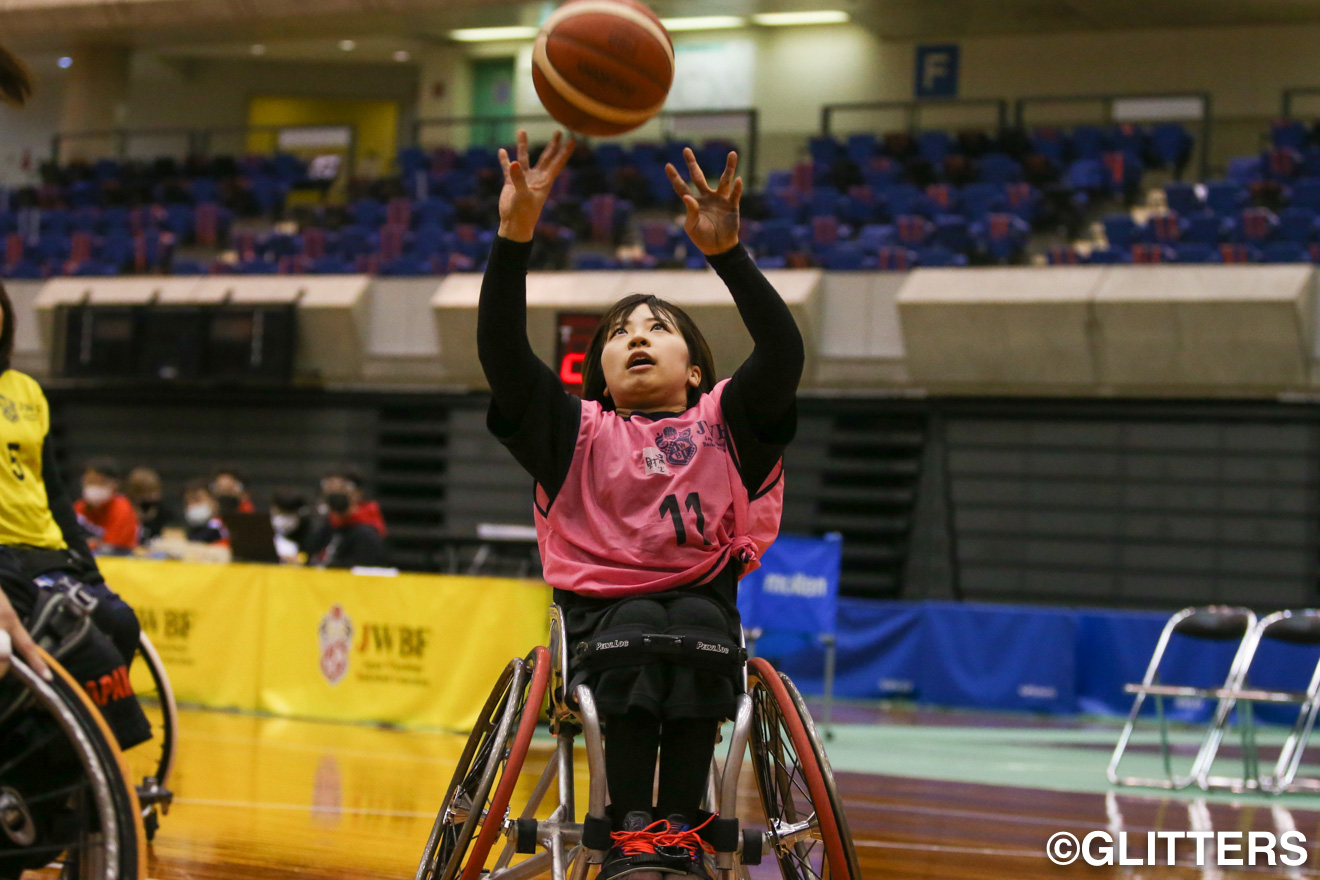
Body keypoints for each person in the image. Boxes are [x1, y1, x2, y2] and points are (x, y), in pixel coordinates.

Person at [479, 130, 802, 879]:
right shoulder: (573, 433)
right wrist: (514, 236)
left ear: (695, 371)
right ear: (599, 372)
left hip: (700, 606)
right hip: (597, 618)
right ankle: (628, 821)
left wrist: (727, 254)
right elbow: (501, 350)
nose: (637, 338)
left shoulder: (727, 421)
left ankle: (683, 821)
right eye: (620, 334)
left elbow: (783, 355)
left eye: (658, 329)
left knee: (692, 626)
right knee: (635, 630)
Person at [310, 467, 386, 568]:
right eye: (330, 489)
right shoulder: (328, 526)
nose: (335, 494)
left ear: (357, 493)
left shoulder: (366, 533)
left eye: (342, 489)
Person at [74, 457, 140, 555]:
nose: (94, 486)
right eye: (90, 481)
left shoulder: (122, 509)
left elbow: (112, 548)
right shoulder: (78, 507)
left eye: (100, 482)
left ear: (115, 484)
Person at [269, 486, 324, 564]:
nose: (279, 519)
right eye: (277, 513)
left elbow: (311, 558)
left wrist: (299, 559)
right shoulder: (266, 527)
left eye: (285, 514)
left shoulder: (314, 531)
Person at [124, 465, 174, 542]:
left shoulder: (163, 509)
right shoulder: (124, 508)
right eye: (146, 493)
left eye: (154, 492)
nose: (151, 497)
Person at [182, 478, 228, 545]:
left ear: (214, 502)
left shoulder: (222, 529)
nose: (192, 505)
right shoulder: (191, 531)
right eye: (187, 501)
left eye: (197, 499)